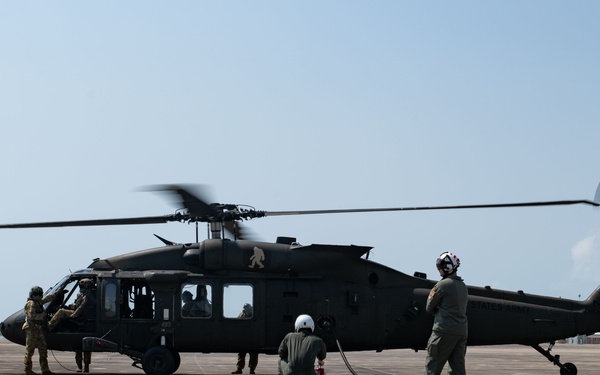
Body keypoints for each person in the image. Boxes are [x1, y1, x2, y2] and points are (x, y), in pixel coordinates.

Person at [424, 252, 468, 375]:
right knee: (458, 370)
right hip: (461, 332)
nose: (439, 270)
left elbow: (429, 307)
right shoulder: (462, 286)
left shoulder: (443, 285)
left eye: (440, 267)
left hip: (444, 331)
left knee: (432, 368)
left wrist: (438, 308)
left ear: (448, 266)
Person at [23, 285, 66, 375]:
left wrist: (57, 293)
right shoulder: (32, 304)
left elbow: (47, 299)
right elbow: (32, 317)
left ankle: (45, 370)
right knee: (30, 351)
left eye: (39, 294)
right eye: (36, 294)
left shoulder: (38, 302)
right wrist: (43, 315)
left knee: (43, 350)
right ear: (32, 295)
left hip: (39, 330)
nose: (38, 296)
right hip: (32, 330)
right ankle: (28, 370)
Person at [232, 303, 258, 374]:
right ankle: (239, 368)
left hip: (253, 338)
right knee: (241, 354)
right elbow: (237, 323)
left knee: (253, 355)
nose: (245, 310)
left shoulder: (255, 314)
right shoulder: (241, 315)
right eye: (244, 308)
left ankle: (252, 369)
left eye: (246, 308)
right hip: (243, 337)